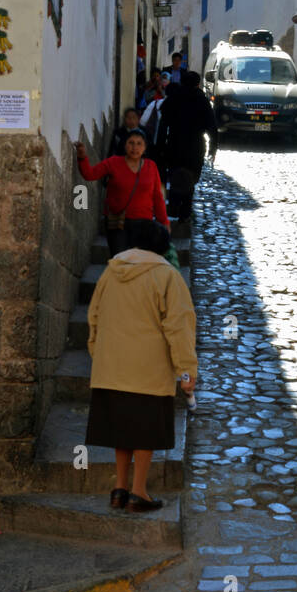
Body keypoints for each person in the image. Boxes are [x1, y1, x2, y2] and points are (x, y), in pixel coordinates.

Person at [85, 218, 197, 513]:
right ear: (161, 246)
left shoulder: (111, 272)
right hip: (149, 370)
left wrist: (99, 354)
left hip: (111, 368)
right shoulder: (168, 276)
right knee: (144, 430)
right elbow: (179, 327)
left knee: (119, 430)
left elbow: (93, 316)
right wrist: (186, 372)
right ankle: (139, 493)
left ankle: (119, 488)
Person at [75, 128, 169, 257]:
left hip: (144, 225)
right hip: (118, 223)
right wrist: (82, 157)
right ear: (125, 145)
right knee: (120, 262)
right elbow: (89, 174)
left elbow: (157, 197)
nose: (134, 147)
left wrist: (164, 222)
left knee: (139, 263)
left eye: (139, 143)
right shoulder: (113, 162)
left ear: (145, 148)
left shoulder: (151, 166)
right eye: (131, 143)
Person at [159, 70, 218, 221]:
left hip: (174, 144)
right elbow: (212, 126)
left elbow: (163, 124)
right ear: (197, 84)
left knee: (175, 176)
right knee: (190, 179)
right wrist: (212, 148)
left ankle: (173, 206)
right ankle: (185, 210)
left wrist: (160, 145)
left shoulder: (173, 99)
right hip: (195, 146)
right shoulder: (202, 100)